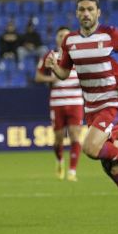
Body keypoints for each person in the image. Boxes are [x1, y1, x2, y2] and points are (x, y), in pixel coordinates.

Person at [46, 0, 118, 226]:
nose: (85, 13)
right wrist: (54, 67)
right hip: (92, 107)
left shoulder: (110, 34)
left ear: (98, 13)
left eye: (90, 9)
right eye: (81, 10)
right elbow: (65, 73)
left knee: (90, 147)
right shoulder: (69, 41)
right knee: (111, 167)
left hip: (113, 101)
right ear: (76, 13)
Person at [35, 27, 84, 181]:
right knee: (58, 138)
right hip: (58, 102)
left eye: (66, 35)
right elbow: (38, 77)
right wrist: (52, 79)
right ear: (56, 39)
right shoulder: (50, 56)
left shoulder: (79, 55)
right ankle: (59, 160)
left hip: (75, 101)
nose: (63, 37)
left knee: (76, 135)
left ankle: (72, 171)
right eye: (60, 35)